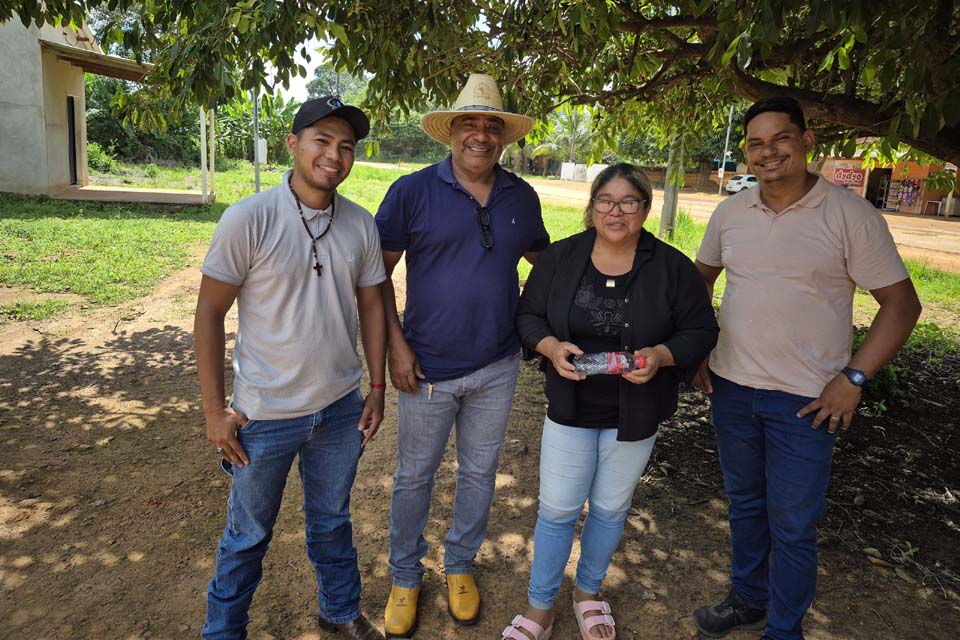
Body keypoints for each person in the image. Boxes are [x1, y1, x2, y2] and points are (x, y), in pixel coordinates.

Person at [691, 96, 922, 640]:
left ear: (806, 141)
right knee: (745, 505)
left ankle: (785, 630)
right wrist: (700, 350)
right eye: (755, 143)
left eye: (780, 139)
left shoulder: (850, 214)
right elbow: (701, 280)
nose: (768, 152)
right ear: (746, 152)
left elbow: (902, 304)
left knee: (793, 526)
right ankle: (748, 598)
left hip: (807, 401)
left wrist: (854, 378)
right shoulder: (731, 213)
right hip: (731, 387)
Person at [499, 163, 719, 640]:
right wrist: (550, 347)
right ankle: (540, 607)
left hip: (636, 409)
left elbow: (701, 329)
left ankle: (588, 594)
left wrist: (661, 356)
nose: (615, 211)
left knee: (610, 509)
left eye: (628, 202)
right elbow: (529, 314)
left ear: (645, 208)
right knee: (557, 510)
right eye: (605, 201)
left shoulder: (671, 267)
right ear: (592, 205)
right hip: (571, 406)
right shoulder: (560, 258)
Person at [195, 96, 388, 640]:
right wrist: (215, 409)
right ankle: (223, 631)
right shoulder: (249, 218)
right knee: (248, 535)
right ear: (293, 144)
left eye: (345, 146)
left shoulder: (359, 225)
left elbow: (373, 304)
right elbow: (209, 314)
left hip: (339, 409)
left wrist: (376, 386)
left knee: (332, 523)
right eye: (322, 141)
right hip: (264, 415)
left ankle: (340, 614)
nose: (334, 155)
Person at [375, 73, 550, 637]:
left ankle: (460, 565)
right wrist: (395, 347)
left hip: (497, 367)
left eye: (491, 126)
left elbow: (543, 265)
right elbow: (376, 275)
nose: (480, 135)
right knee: (414, 477)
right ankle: (405, 574)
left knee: (479, 473)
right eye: (469, 124)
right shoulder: (412, 191)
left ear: (503, 138)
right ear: (451, 132)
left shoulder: (522, 197)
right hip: (425, 367)